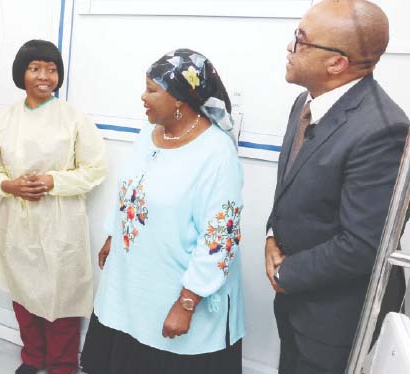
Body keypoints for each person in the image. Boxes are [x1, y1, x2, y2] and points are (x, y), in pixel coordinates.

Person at [265, 1, 409, 373]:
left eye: (300, 40)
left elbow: (365, 244)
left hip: (332, 322)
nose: (289, 48)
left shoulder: (382, 129)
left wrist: (286, 274)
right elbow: (292, 185)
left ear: (336, 63)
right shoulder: (305, 102)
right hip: (295, 308)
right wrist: (271, 235)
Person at [81, 49, 244, 374]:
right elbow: (131, 189)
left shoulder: (217, 153)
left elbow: (220, 238)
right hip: (133, 281)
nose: (143, 97)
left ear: (181, 100)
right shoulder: (149, 134)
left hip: (177, 291)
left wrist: (187, 302)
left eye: (152, 89)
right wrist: (114, 234)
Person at [0, 39, 106, 374]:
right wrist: (11, 185)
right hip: (17, 223)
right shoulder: (4, 120)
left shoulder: (74, 119)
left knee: (63, 297)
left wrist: (53, 182)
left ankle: (62, 363)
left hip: (60, 222)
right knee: (23, 293)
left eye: (52, 69)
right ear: (21, 73)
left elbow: (95, 170)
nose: (44, 76)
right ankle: (33, 357)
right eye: (35, 68)